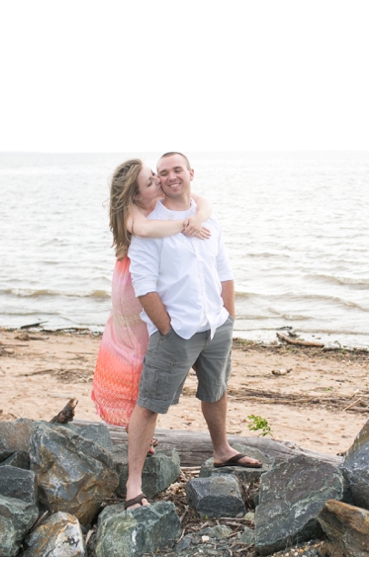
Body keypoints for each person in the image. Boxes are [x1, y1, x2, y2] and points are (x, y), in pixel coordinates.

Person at [123, 151, 260, 509]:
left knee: (215, 391)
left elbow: (224, 270)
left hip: (216, 326)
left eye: (176, 169)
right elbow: (144, 285)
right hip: (176, 332)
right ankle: (133, 484)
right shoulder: (151, 227)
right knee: (150, 404)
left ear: (190, 173)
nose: (170, 176)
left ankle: (221, 450)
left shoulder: (208, 220)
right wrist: (167, 328)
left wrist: (227, 315)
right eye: (162, 172)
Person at [90, 158, 211, 490]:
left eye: (156, 176)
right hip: (132, 287)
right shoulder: (136, 216)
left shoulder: (152, 206)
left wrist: (197, 216)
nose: (159, 182)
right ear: (134, 195)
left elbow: (203, 201)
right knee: (139, 358)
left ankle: (139, 435)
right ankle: (139, 439)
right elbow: (146, 231)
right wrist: (187, 224)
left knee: (138, 358)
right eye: (150, 181)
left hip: (129, 282)